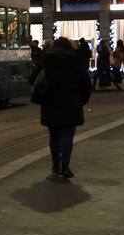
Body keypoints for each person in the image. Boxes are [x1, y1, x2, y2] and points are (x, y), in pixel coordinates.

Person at [33, 37, 92, 178]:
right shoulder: (75, 61)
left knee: (54, 136)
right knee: (67, 136)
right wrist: (81, 101)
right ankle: (65, 166)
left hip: (50, 103)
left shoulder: (47, 61)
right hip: (71, 104)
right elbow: (86, 84)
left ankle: (55, 165)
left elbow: (32, 79)